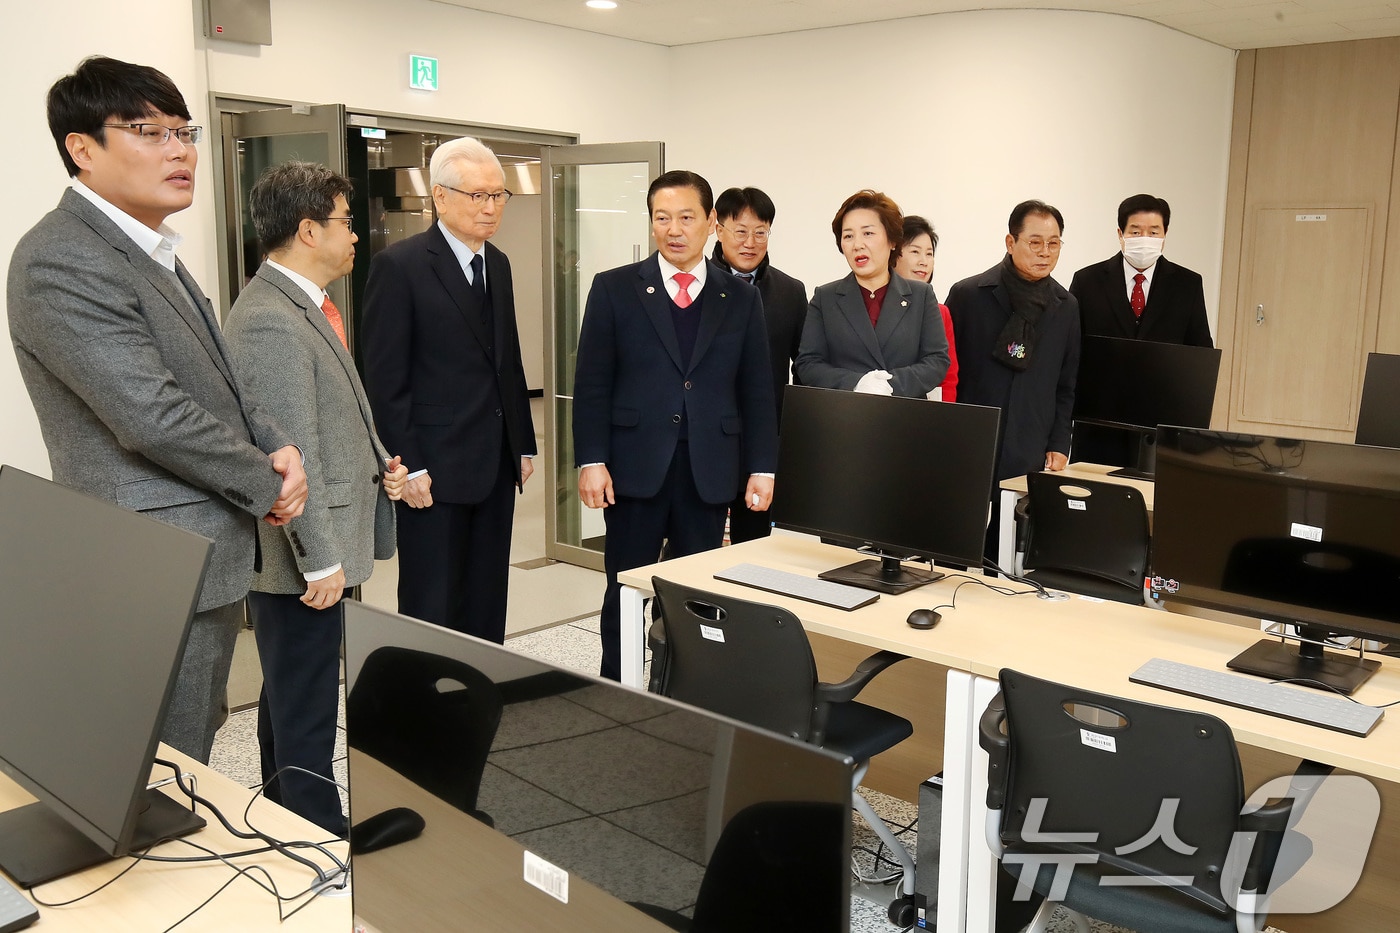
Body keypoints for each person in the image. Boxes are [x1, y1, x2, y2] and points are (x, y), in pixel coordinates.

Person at [7, 56, 307, 763]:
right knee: (156, 762)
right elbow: (149, 412)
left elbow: (220, 381)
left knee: (190, 742)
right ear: (82, 148)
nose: (180, 151)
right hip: (149, 560)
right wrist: (265, 482)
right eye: (150, 132)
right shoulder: (62, 256)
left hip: (193, 550)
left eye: (184, 131)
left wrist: (278, 443)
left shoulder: (149, 248)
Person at [223, 162, 408, 834]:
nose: (356, 235)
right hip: (303, 559)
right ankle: (319, 836)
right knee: (304, 705)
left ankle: (288, 823)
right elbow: (290, 452)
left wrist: (382, 465)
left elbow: (334, 417)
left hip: (316, 548)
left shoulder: (304, 305)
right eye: (345, 222)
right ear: (308, 230)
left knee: (290, 695)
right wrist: (319, 560)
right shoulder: (270, 321)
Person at [573, 170, 778, 680]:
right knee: (625, 590)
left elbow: (756, 389)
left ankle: (687, 692)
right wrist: (591, 459)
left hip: (708, 470)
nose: (674, 229)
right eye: (662, 218)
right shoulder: (614, 288)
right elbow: (592, 383)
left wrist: (762, 466)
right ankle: (618, 690)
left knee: (699, 596)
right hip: (633, 469)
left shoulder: (740, 297)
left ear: (711, 223)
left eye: (686, 217)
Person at [361, 137, 537, 644]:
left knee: (487, 596)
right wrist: (409, 465)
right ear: (440, 196)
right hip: (432, 467)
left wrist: (522, 443)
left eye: (498, 195)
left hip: (495, 462)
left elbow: (508, 361)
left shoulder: (497, 263)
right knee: (432, 599)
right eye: (478, 195)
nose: (491, 207)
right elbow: (385, 380)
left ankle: (481, 682)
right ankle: (426, 689)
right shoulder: (400, 266)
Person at [946, 199, 1080, 486]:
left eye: (1054, 243)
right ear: (1010, 242)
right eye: (1035, 242)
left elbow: (1066, 383)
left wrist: (1060, 442)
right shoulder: (968, 295)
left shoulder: (1066, 306)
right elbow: (947, 372)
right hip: (971, 437)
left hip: (1030, 441)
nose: (1045, 252)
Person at [710, 186, 807, 543]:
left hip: (762, 442)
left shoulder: (790, 291)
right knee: (695, 545)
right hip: (706, 440)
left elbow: (804, 366)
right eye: (740, 231)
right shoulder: (696, 286)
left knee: (754, 545)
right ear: (718, 230)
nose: (750, 242)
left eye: (760, 232)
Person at [794, 190, 949, 398]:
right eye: (848, 236)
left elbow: (937, 360)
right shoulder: (825, 297)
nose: (858, 245)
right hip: (844, 413)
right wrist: (857, 383)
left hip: (907, 413)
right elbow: (808, 363)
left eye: (868, 233)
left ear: (892, 241)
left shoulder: (921, 295)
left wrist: (889, 385)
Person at [1069, 193, 1213, 346]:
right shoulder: (1086, 281)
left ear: (1165, 233)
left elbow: (1201, 349)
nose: (1145, 239)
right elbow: (1069, 343)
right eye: (1136, 232)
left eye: (1153, 233)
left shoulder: (1188, 285)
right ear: (1120, 234)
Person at [893, 214, 959, 401]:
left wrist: (944, 413)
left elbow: (948, 378)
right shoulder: (873, 302)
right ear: (893, 254)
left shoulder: (940, 312)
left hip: (925, 410)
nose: (924, 261)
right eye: (915, 251)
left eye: (929, 254)